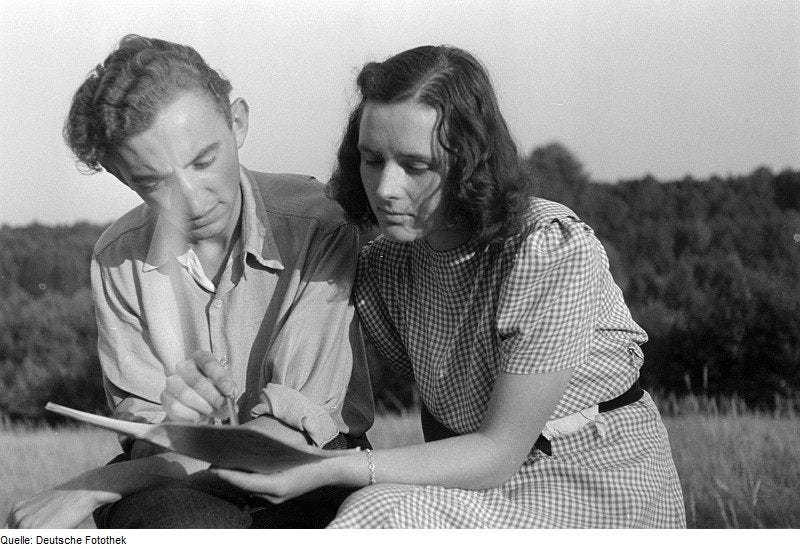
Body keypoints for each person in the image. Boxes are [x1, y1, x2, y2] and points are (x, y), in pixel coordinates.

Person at [202, 45, 687, 528]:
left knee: (377, 515)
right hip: (474, 478)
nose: (386, 188)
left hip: (596, 481)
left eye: (415, 166)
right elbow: (439, 414)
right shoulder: (387, 264)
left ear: (468, 161)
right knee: (374, 511)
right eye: (372, 160)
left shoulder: (546, 251)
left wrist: (327, 469)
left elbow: (498, 452)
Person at [5, 35, 373, 529]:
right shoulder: (117, 258)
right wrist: (177, 426)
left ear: (238, 121)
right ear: (121, 176)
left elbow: (293, 433)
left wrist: (95, 485)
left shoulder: (322, 225)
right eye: (153, 182)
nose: (194, 202)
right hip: (175, 479)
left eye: (203, 162)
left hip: (311, 468)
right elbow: (149, 433)